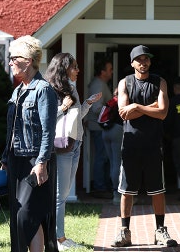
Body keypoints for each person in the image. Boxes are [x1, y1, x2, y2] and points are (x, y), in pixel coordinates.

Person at [112, 45, 178, 248]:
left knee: (158, 190)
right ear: (132, 63)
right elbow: (124, 112)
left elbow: (164, 112)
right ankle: (125, 232)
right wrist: (149, 108)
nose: (143, 62)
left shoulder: (160, 82)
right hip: (131, 144)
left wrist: (137, 107)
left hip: (153, 144)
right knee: (127, 190)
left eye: (146, 59)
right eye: (139, 59)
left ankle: (160, 231)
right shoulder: (125, 83)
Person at [0, 35, 58, 252]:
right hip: (16, 161)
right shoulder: (18, 90)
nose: (10, 62)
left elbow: (48, 130)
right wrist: (5, 158)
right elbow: (12, 129)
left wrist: (42, 162)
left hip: (35, 160)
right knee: (18, 214)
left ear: (29, 60)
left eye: (14, 58)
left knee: (28, 214)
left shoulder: (43, 89)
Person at [44, 53, 101, 251]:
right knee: (60, 194)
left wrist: (88, 103)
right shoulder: (51, 90)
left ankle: (60, 236)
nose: (78, 70)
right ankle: (58, 239)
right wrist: (63, 107)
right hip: (62, 146)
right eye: (74, 67)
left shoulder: (72, 89)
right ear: (64, 68)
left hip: (75, 143)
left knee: (65, 192)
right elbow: (46, 118)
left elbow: (78, 116)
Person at [86, 59, 113, 198]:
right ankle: (100, 188)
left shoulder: (101, 84)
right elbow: (96, 108)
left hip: (99, 127)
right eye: (109, 69)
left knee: (104, 157)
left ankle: (103, 185)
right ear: (102, 72)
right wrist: (112, 112)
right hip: (99, 127)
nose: (112, 72)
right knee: (102, 157)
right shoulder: (98, 85)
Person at [101, 88, 124, 205]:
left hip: (105, 132)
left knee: (112, 162)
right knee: (117, 163)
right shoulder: (122, 102)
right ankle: (117, 194)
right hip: (117, 131)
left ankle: (115, 192)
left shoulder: (110, 101)